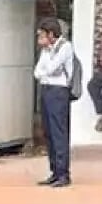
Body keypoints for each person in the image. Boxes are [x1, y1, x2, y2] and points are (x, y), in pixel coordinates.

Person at [34, 18, 75, 187]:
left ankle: (63, 173)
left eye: (43, 35)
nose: (40, 39)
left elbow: (51, 68)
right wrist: (45, 72)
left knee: (59, 132)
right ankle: (54, 171)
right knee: (48, 132)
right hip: (46, 89)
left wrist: (46, 72)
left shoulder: (65, 47)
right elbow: (38, 72)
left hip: (59, 92)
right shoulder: (46, 50)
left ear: (51, 34)